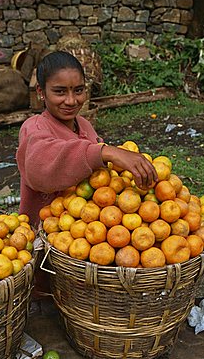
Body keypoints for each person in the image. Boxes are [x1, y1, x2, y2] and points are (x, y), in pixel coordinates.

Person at [16, 51, 158, 228]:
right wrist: (106, 151)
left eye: (78, 90)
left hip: (88, 230)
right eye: (59, 92)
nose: (71, 101)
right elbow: (40, 167)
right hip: (47, 234)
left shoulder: (84, 125)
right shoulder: (35, 127)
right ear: (41, 91)